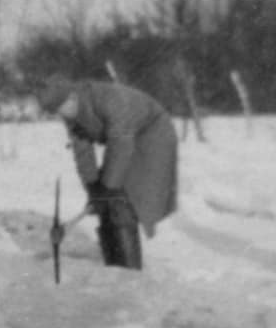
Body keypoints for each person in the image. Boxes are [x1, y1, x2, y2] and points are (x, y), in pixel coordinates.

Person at [36, 75, 178, 269]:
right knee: (106, 199)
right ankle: (112, 264)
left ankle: (128, 271)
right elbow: (82, 152)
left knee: (121, 196)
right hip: (126, 140)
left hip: (153, 134)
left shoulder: (110, 100)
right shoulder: (71, 114)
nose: (61, 115)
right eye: (56, 112)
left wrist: (107, 188)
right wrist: (93, 188)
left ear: (71, 97)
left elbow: (121, 145)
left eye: (60, 108)